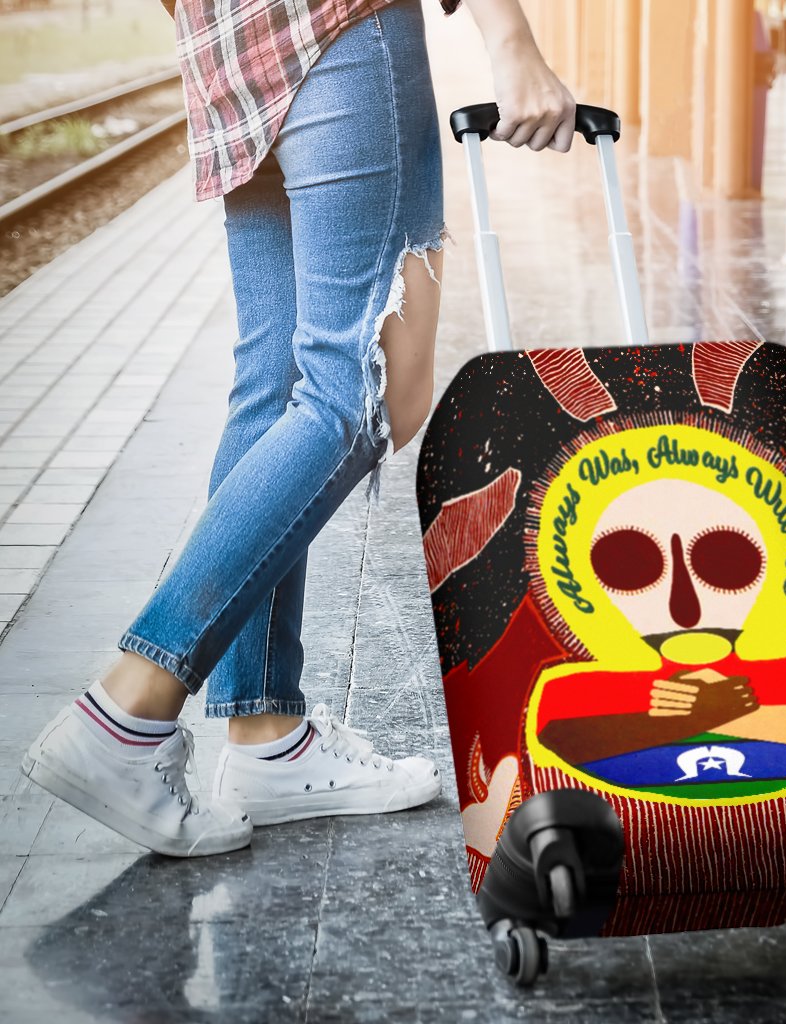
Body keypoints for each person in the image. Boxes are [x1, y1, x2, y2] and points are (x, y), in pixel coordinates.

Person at [21, 0, 576, 857]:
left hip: (228, 51)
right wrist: (512, 43)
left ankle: (265, 735)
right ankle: (127, 711)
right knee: (359, 391)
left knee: (276, 385)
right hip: (341, 28)